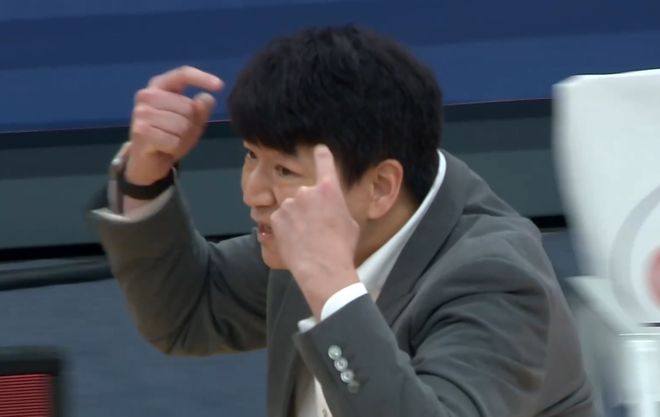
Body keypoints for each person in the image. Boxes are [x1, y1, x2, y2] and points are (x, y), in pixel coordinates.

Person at [90, 26, 595, 417]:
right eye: (251, 156)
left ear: (380, 187)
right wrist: (145, 179)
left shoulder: (496, 279)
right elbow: (187, 312)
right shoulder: (322, 233)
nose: (252, 193)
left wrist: (332, 289)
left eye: (284, 171)